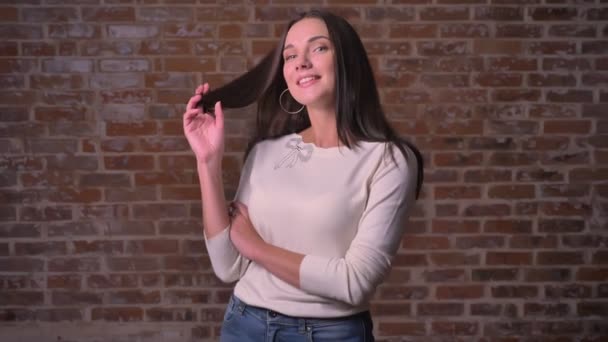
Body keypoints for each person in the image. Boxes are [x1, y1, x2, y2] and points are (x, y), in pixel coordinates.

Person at [183, 9, 424, 342]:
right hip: (245, 325)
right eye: (290, 55)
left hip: (331, 334)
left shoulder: (389, 160)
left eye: (319, 48)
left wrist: (256, 247)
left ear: (347, 61)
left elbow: (354, 283)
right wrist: (207, 162)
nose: (301, 62)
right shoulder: (266, 152)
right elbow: (227, 267)